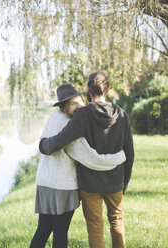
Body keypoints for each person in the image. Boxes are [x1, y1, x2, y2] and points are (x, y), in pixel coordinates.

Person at [39, 72, 135, 248]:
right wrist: (124, 183)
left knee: (95, 226)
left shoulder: (83, 115)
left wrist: (44, 145)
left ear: (88, 89)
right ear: (108, 88)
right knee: (116, 221)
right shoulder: (123, 115)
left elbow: (61, 139)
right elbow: (130, 153)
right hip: (115, 182)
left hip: (90, 184)